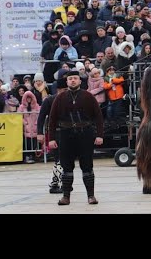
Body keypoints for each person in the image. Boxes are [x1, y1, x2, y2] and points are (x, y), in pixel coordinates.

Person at [48, 71, 104, 205]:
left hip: (85, 134)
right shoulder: (60, 97)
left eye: (75, 78)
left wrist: (99, 135)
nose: (73, 81)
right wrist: (51, 138)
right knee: (67, 168)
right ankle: (66, 197)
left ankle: (91, 196)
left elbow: (98, 117)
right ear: (67, 82)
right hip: (66, 135)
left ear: (80, 81)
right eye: (70, 79)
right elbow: (52, 119)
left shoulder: (88, 96)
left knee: (87, 167)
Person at [36, 69, 69, 194]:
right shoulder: (49, 101)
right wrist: (39, 133)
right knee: (60, 159)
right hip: (54, 133)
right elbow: (41, 118)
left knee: (61, 160)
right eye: (64, 90)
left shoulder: (70, 100)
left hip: (67, 132)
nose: (66, 92)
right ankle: (61, 184)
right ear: (59, 90)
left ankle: (54, 184)